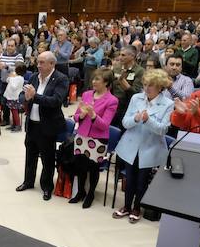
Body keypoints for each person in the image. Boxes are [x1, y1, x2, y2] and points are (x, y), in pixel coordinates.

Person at [114, 69, 174, 222]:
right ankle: (126, 206)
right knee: (129, 179)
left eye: (151, 85)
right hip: (131, 145)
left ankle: (137, 208)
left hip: (150, 148)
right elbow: (125, 123)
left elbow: (163, 129)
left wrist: (148, 120)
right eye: (145, 84)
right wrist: (135, 118)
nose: (147, 88)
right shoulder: (136, 98)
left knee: (141, 182)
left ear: (160, 87)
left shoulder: (168, 104)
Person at [16, 52, 68, 200]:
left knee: (47, 159)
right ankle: (28, 181)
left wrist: (34, 97)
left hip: (48, 125)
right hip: (32, 123)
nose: (38, 65)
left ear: (52, 64)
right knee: (30, 155)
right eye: (38, 62)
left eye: (42, 62)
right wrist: (24, 98)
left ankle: (46, 187)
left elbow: (56, 101)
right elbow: (23, 94)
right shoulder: (34, 77)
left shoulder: (61, 79)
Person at [69, 68, 118, 208]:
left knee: (93, 168)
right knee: (80, 166)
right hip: (82, 136)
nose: (94, 82)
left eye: (98, 79)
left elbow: (104, 125)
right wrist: (82, 115)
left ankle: (90, 193)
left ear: (106, 82)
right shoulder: (86, 94)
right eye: (94, 78)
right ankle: (80, 192)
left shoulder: (112, 100)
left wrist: (93, 115)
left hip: (98, 139)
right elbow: (76, 116)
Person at [110, 46, 144, 125]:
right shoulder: (116, 67)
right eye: (120, 55)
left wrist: (123, 82)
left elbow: (135, 93)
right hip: (113, 103)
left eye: (123, 55)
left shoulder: (140, 71)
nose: (120, 57)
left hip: (127, 106)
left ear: (132, 56)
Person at [4, 62, 26, 133]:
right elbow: (7, 80)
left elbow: (14, 86)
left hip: (14, 97)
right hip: (10, 96)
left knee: (15, 112)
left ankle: (18, 125)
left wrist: (11, 78)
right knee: (12, 111)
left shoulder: (19, 78)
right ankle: (14, 124)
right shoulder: (15, 77)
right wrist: (10, 77)